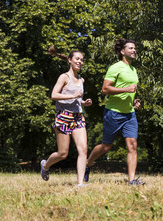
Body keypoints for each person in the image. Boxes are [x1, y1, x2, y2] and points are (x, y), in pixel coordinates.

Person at [84, 38, 145, 185]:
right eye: (130, 48)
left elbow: (130, 91)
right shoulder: (115, 67)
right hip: (114, 112)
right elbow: (105, 90)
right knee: (106, 146)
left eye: (134, 48)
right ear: (122, 51)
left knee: (132, 145)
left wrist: (134, 102)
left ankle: (131, 180)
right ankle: (86, 164)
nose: (134, 50)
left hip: (129, 113)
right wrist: (126, 89)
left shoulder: (133, 69)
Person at [40, 46, 92, 187]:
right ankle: (45, 165)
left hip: (78, 117)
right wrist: (73, 95)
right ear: (70, 60)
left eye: (82, 60)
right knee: (63, 153)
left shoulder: (81, 80)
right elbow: (54, 95)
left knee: (83, 149)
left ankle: (80, 183)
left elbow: (76, 99)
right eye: (77, 59)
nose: (80, 62)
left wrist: (83, 102)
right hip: (63, 116)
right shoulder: (64, 77)